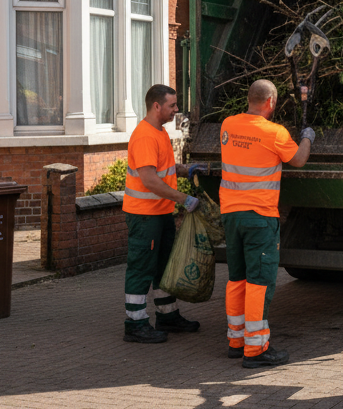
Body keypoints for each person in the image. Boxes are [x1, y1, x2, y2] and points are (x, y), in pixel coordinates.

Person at [219, 79, 313, 368]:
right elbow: (298, 160)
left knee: (237, 278)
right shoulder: (274, 133)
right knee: (260, 281)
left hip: (231, 215)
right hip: (259, 217)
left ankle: (236, 341)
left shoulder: (227, 125)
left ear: (250, 99)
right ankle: (256, 348)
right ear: (271, 102)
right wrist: (307, 136)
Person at [122, 84, 206, 343]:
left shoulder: (159, 133)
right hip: (146, 216)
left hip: (159, 213)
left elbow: (162, 171)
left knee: (163, 267)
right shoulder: (146, 136)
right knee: (141, 268)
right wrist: (184, 199)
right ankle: (135, 324)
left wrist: (184, 169)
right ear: (156, 106)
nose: (176, 110)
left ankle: (167, 316)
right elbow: (149, 180)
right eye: (172, 105)